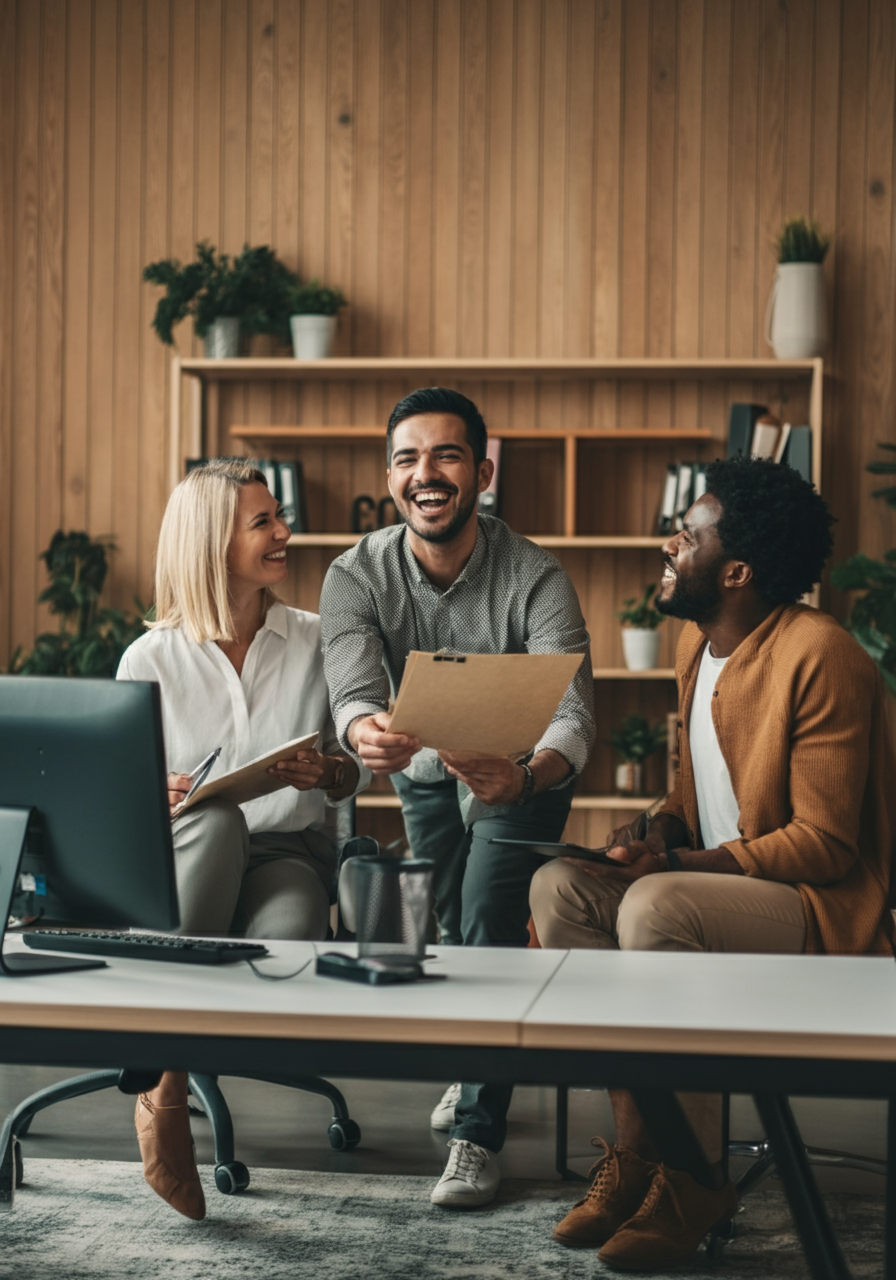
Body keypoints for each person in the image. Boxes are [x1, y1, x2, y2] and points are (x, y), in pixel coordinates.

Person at [530, 453, 896, 1271]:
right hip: (726, 895)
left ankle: (698, 1177)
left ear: (735, 570)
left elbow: (826, 846)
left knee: (657, 908)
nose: (668, 544)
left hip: (819, 913)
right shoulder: (697, 656)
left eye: (685, 536)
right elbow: (692, 801)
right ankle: (641, 1149)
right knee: (560, 886)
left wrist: (676, 867)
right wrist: (655, 836)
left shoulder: (821, 653)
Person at [318, 387, 596, 1208]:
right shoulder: (354, 574)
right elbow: (351, 689)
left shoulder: (535, 573)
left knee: (486, 915)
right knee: (439, 921)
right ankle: (482, 1059)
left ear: (481, 471)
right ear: (392, 475)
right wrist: (364, 731)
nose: (425, 473)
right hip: (422, 768)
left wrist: (531, 774)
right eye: (407, 457)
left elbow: (575, 711)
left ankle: (478, 1134)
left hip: (523, 771)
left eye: (445, 455)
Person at [117, 459, 368, 1220]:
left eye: (276, 516)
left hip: (288, 854)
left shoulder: (319, 640)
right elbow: (119, 803)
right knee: (217, 818)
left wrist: (328, 771)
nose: (284, 532)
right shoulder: (148, 658)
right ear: (211, 542)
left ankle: (153, 1045)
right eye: (263, 522)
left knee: (284, 946)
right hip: (186, 856)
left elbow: (354, 773)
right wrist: (146, 793)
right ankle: (163, 1094)